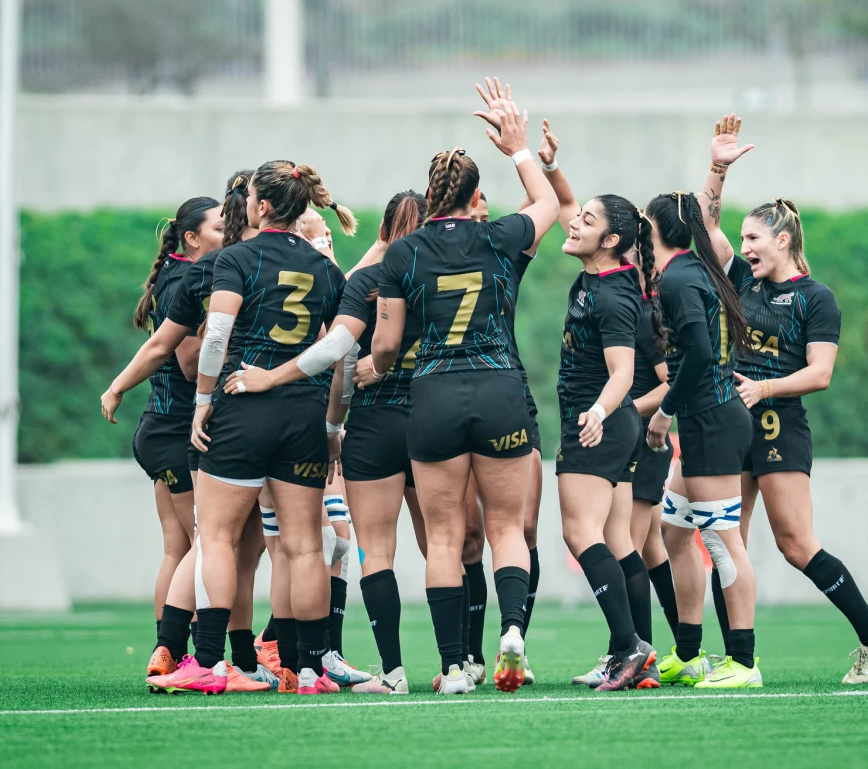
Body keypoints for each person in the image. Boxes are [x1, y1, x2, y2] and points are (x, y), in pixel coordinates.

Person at [364, 79, 559, 694]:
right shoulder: (500, 236)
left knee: (445, 536)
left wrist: (375, 366)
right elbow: (548, 203)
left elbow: (386, 345)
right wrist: (518, 147)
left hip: (434, 396)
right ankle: (513, 632)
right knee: (506, 530)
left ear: (428, 199)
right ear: (477, 197)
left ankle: (453, 667)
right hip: (500, 389)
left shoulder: (403, 254)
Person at [147, 159, 353, 696]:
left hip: (242, 407)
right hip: (304, 415)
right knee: (305, 547)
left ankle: (210, 665)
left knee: (216, 535)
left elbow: (216, 336)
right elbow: (344, 351)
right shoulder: (325, 267)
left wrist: (202, 402)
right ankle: (310, 671)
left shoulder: (235, 257)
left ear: (260, 206)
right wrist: (333, 425)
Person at [703, 136, 868, 682]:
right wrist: (717, 167)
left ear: (783, 239)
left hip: (777, 424)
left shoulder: (816, 297)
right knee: (724, 543)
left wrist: (764, 389)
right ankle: (739, 660)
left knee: (795, 544)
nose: (744, 247)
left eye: (754, 238)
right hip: (730, 422)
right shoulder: (740, 280)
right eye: (743, 239)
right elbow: (705, 226)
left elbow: (820, 373)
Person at [227, 189, 429, 694]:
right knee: (268, 544)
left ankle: (310, 656)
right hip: (297, 413)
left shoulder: (325, 273)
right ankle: (267, 652)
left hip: (307, 413)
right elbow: (340, 342)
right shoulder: (266, 267)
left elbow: (343, 333)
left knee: (323, 541)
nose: (323, 247)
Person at [645, 117, 761, 689]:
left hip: (712, 421)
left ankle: (744, 662)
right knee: (673, 530)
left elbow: (693, 352)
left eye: (644, 226)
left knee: (720, 540)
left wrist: (664, 411)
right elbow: (704, 217)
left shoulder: (679, 278)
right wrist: (716, 167)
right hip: (705, 420)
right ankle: (689, 652)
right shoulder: (695, 266)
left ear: (654, 230)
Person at [459, 114, 561, 687]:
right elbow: (543, 204)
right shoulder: (434, 250)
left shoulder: (501, 246)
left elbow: (543, 208)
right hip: (462, 397)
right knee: (468, 536)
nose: (484, 212)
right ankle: (466, 654)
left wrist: (537, 159)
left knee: (521, 528)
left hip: (506, 395)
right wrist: (521, 151)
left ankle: (512, 637)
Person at [553, 191, 663, 691]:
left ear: (611, 240)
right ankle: (641, 655)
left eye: (587, 220)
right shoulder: (599, 274)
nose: (574, 223)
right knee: (618, 541)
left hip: (598, 424)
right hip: (609, 424)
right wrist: (540, 163)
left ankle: (629, 646)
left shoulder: (614, 294)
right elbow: (562, 206)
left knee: (580, 534)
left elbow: (624, 372)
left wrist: (596, 412)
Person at [120, 197, 221, 655]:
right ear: (192, 238)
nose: (228, 232)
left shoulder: (177, 272)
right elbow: (189, 362)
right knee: (205, 544)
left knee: (177, 548)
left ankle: (168, 655)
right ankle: (188, 653)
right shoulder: (188, 278)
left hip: (159, 428)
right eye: (219, 227)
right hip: (176, 431)